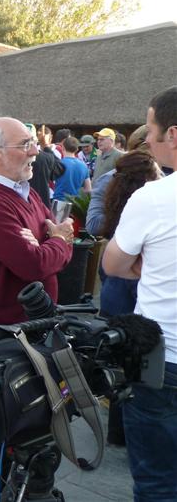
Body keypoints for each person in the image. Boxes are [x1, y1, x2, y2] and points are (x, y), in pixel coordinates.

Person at [0, 117, 74, 502]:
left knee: (25, 430)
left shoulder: (24, 191)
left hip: (26, 332)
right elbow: (36, 263)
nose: (35, 151)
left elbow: (45, 238)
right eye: (25, 144)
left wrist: (48, 241)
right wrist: (58, 243)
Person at [102, 85, 177, 502]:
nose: (147, 138)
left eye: (151, 129)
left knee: (157, 482)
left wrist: (150, 265)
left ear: (174, 135)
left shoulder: (154, 198)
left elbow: (113, 265)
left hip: (161, 362)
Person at [29, 124, 64, 208]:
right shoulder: (43, 157)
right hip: (39, 205)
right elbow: (59, 169)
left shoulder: (6, 158)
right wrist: (45, 146)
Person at [52, 136, 91, 200]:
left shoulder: (58, 164)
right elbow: (88, 189)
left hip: (59, 201)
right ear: (77, 149)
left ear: (63, 148)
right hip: (76, 203)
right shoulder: (84, 166)